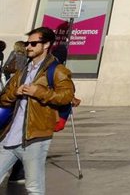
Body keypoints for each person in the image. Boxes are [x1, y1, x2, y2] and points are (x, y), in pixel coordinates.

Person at [0, 26, 76, 194]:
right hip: (10, 136)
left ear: (46, 45)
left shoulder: (57, 70)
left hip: (35, 137)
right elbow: (3, 98)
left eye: (33, 44)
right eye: (27, 43)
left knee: (34, 188)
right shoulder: (22, 71)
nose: (28, 47)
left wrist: (39, 92)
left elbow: (66, 96)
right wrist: (15, 92)